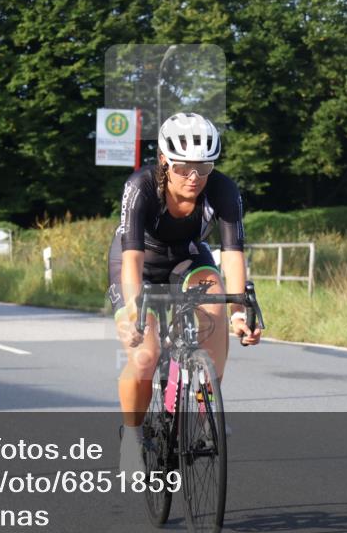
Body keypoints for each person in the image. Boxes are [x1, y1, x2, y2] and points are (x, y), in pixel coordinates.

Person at [108, 112, 262, 475]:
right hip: (137, 264)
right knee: (146, 355)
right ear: (164, 160)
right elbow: (130, 258)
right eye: (183, 168)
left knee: (218, 305)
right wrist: (133, 311)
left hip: (187, 259)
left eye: (204, 167)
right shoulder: (141, 185)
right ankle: (132, 436)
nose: (194, 177)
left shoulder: (223, 189)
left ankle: (207, 401)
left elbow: (233, 255)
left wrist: (239, 312)